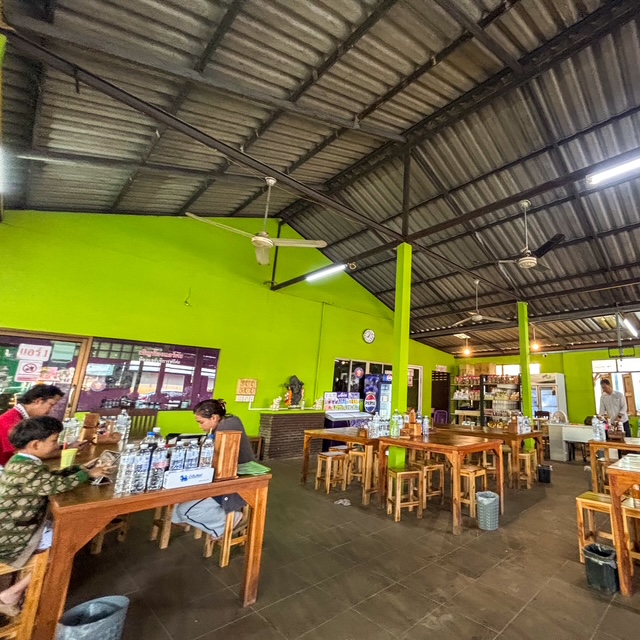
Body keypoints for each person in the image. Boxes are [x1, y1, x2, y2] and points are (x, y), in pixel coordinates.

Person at [0, 416, 108, 617]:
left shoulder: (22, 462)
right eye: (53, 440)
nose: (57, 445)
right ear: (35, 444)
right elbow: (53, 486)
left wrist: (80, 469)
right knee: (62, 548)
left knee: (64, 537)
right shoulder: (27, 468)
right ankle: (13, 593)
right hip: (14, 533)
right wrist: (86, 475)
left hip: (19, 524)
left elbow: (49, 479)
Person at [171, 399, 255, 538]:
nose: (200, 426)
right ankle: (187, 520)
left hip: (232, 482)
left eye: (201, 422)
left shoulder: (225, 430)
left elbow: (220, 463)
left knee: (183, 508)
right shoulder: (230, 421)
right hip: (233, 476)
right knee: (180, 498)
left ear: (214, 417)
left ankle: (223, 523)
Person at [0, 385, 65, 466]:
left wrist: (63, 447)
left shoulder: (21, 417)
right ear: (38, 401)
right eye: (51, 405)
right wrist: (66, 451)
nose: (52, 410)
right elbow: (24, 453)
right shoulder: (12, 420)